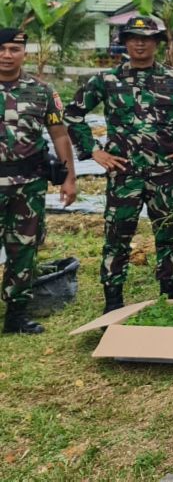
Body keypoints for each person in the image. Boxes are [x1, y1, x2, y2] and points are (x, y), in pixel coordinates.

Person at [65, 16, 173, 312]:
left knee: (169, 235)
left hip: (164, 174)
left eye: (147, 38)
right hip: (124, 174)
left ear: (157, 43)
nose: (140, 43)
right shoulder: (106, 80)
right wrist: (94, 152)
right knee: (116, 237)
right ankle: (113, 302)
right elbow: (72, 114)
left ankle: (168, 298)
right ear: (125, 42)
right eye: (133, 37)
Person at [0, 28, 76, 334]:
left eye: (13, 49)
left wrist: (69, 178)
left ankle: (16, 316)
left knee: (24, 250)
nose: (7, 55)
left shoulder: (42, 91)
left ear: (24, 54)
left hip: (27, 185)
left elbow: (59, 135)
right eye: (2, 49)